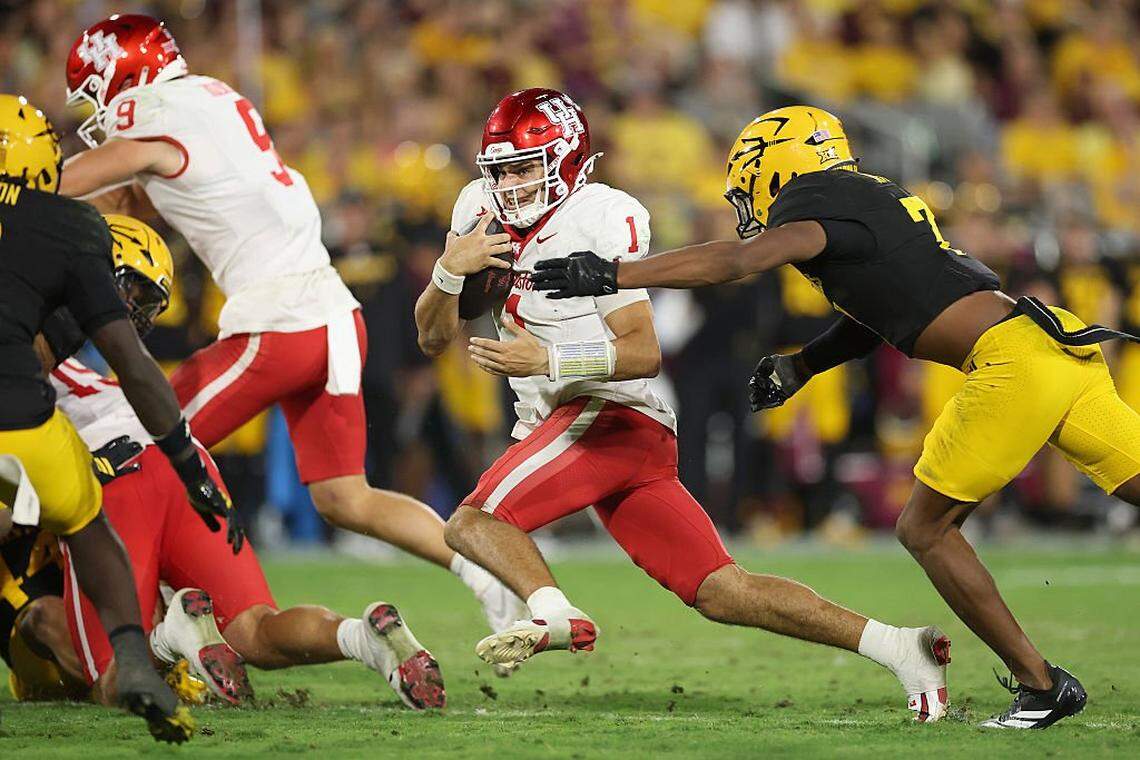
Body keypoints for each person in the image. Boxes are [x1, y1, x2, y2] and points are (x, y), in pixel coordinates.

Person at [529, 104, 1140, 728]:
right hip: (1052, 342)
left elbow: (737, 262)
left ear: (778, 164)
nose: (748, 197)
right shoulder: (866, 198)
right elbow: (887, 311)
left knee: (925, 530)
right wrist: (804, 365)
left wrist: (613, 273)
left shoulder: (816, 196)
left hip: (1011, 361)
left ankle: (1041, 686)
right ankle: (1041, 685)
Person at [416, 88, 952, 722]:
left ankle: (555, 614)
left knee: (473, 523)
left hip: (607, 413)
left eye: (525, 167)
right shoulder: (477, 209)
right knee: (723, 591)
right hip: (586, 428)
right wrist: (447, 273)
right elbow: (433, 338)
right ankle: (901, 648)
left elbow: (643, 353)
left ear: (566, 159)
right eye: (501, 170)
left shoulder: (599, 216)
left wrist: (550, 360)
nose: (510, 185)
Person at [58, 14, 523, 637]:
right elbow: (149, 194)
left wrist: (24, 190)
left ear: (125, 75)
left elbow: (80, 179)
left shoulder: (156, 112)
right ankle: (486, 574)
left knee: (138, 446)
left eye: (96, 91)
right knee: (345, 497)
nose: (97, 111)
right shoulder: (211, 99)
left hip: (277, 324)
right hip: (332, 315)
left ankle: (148, 628)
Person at [38, 214, 445, 710]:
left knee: (113, 679)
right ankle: (362, 638)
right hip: (187, 463)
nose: (133, 311)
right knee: (254, 630)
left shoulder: (29, 337)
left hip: (111, 474)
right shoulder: (66, 340)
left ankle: (170, 638)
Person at [0, 93, 240, 743]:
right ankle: (140, 650)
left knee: (48, 593)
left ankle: (146, 648)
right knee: (84, 523)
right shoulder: (70, 230)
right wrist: (187, 461)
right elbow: (134, 366)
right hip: (29, 425)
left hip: (38, 448)